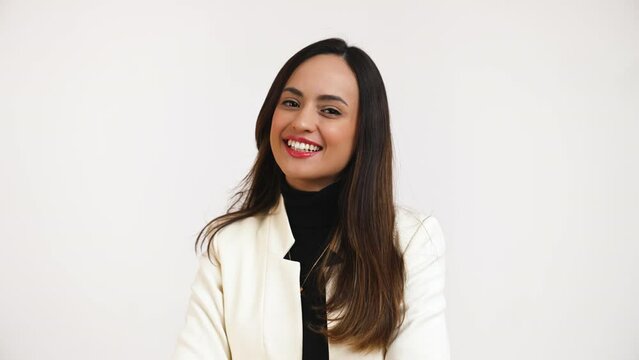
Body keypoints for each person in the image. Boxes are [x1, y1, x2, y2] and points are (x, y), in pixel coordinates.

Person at [171, 38, 450, 360]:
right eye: (290, 103)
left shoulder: (410, 240)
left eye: (330, 111)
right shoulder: (228, 246)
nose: (301, 123)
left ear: (364, 132)